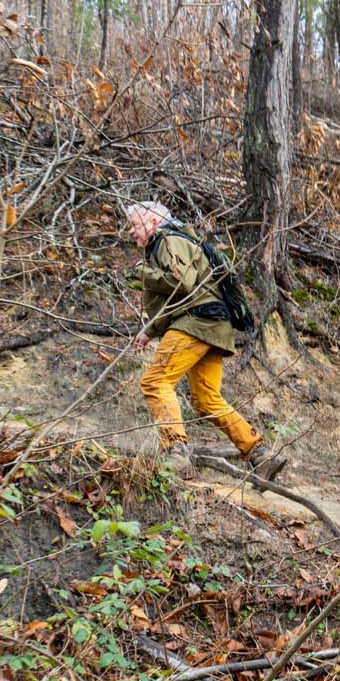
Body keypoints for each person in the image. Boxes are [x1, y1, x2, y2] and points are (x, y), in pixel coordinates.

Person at [127, 201, 287, 478]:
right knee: (205, 399)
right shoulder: (177, 241)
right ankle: (261, 454)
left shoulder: (168, 240)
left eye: (134, 224)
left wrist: (141, 272)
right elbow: (180, 297)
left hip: (196, 321)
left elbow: (181, 283)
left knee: (155, 381)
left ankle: (175, 453)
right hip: (213, 325)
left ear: (152, 221)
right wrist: (150, 331)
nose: (130, 231)